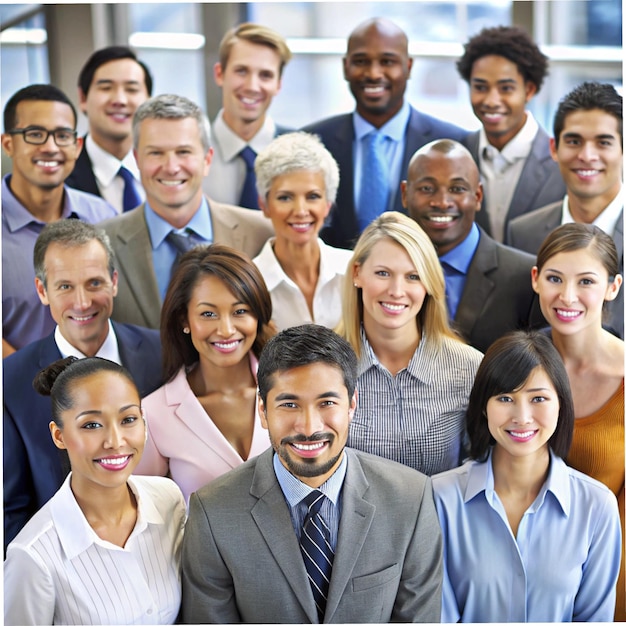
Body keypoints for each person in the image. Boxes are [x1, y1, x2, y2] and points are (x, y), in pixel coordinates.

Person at [181, 324, 443, 623]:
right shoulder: (213, 513)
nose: (309, 428)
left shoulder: (411, 499)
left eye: (327, 403)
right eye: (289, 404)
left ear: (352, 405)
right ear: (263, 411)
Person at [432, 330, 621, 622]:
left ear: (561, 403)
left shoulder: (597, 507)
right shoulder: (440, 499)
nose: (522, 417)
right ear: (484, 406)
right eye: (505, 398)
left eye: (538, 399)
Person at [3, 219, 163, 550]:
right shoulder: (10, 382)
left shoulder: (161, 355)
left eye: (94, 283)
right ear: (41, 291)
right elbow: (10, 508)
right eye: (64, 287)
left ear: (114, 282)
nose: (82, 302)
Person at [4, 356, 186, 625]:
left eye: (128, 419)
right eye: (91, 425)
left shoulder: (168, 500)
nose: (115, 441)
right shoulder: (32, 556)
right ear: (59, 436)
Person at [100, 94, 274, 329]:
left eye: (183, 152)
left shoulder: (261, 233)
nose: (171, 167)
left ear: (207, 159)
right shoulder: (102, 244)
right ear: (137, 159)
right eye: (156, 153)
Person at [303, 17, 467, 249]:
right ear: (345, 67)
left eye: (387, 61)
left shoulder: (454, 144)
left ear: (408, 66)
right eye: (361, 61)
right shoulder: (312, 142)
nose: (373, 73)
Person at [338, 212, 483, 475]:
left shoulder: (470, 367)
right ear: (357, 273)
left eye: (413, 276)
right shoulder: (325, 365)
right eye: (383, 273)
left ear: (428, 284)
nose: (396, 290)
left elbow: (482, 469)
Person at [531, 222, 625, 620]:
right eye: (555, 278)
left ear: (612, 287)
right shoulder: (513, 365)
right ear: (535, 280)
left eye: (586, 281)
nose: (567, 296)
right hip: (520, 566)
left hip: (611, 570)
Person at [134, 244, 273, 502]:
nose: (226, 329)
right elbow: (145, 512)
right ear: (184, 320)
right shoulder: (153, 414)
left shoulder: (289, 390)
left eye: (240, 311)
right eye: (208, 314)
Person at [2, 84, 115, 357]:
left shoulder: (104, 216)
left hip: (99, 384)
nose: (50, 147)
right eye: (35, 134)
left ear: (77, 146)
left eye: (62, 135)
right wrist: (26, 378)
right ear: (8, 144)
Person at [402, 138, 544, 352]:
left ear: (478, 196)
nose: (442, 202)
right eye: (426, 188)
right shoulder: (382, 273)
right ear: (405, 194)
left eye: (457, 189)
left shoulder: (525, 278)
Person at [508, 81, 623, 338]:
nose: (587, 155)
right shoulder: (523, 233)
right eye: (574, 141)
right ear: (554, 148)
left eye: (603, 142)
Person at [457, 26, 565, 242]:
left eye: (506, 89)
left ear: (530, 90)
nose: (491, 101)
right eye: (480, 87)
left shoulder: (562, 163)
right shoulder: (458, 154)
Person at [252, 132, 352, 330]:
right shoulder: (249, 285)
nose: (300, 211)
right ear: (264, 205)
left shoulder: (354, 269)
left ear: (328, 205)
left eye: (313, 196)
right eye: (285, 197)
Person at [202, 23, 293, 209]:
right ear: (220, 74)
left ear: (278, 84)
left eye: (265, 75)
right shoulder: (192, 154)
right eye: (241, 71)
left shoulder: (300, 153)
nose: (252, 86)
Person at [66, 46, 152, 213]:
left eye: (132, 89)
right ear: (83, 98)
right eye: (106, 88)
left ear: (148, 101)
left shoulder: (168, 169)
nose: (119, 100)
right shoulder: (62, 176)